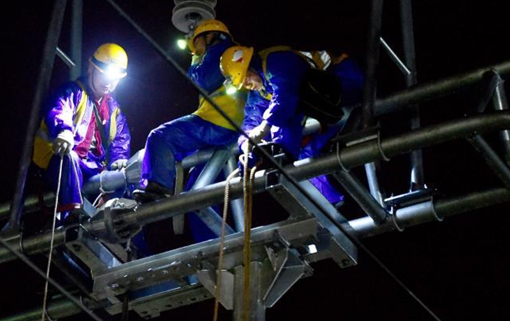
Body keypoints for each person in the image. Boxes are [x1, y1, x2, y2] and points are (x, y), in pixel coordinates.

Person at [219, 44, 365, 205]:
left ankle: (282, 154)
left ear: (250, 65)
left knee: (286, 122)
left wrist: (265, 127)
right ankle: (328, 203)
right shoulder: (259, 90)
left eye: (245, 78)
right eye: (242, 84)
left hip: (345, 80)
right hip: (326, 107)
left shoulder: (277, 61)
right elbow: (251, 121)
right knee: (304, 158)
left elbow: (285, 96)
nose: (246, 85)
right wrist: (246, 147)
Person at [133, 19, 247, 203]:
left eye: (198, 42)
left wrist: (195, 59)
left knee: (160, 137)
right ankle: (213, 232)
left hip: (216, 123)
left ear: (210, 36)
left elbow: (202, 81)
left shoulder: (219, 51)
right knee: (198, 197)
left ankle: (157, 186)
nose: (196, 48)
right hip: (231, 127)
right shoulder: (235, 53)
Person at [31, 43, 132, 222]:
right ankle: (73, 214)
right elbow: (60, 109)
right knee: (70, 157)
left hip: (93, 169)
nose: (109, 82)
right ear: (91, 68)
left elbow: (120, 140)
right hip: (59, 163)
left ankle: (111, 217)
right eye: (104, 74)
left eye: (115, 78)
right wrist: (64, 131)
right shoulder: (73, 92)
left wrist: (119, 161)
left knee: (126, 175)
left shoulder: (113, 110)